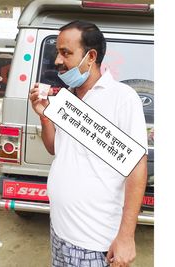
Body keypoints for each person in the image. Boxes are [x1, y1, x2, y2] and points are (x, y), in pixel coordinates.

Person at [29, 20, 148, 267]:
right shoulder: (66, 99)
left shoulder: (122, 98)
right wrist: (44, 115)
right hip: (59, 230)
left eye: (66, 53)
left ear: (91, 56)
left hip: (93, 241)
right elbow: (54, 148)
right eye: (57, 53)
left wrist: (126, 237)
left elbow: (136, 169)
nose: (58, 61)